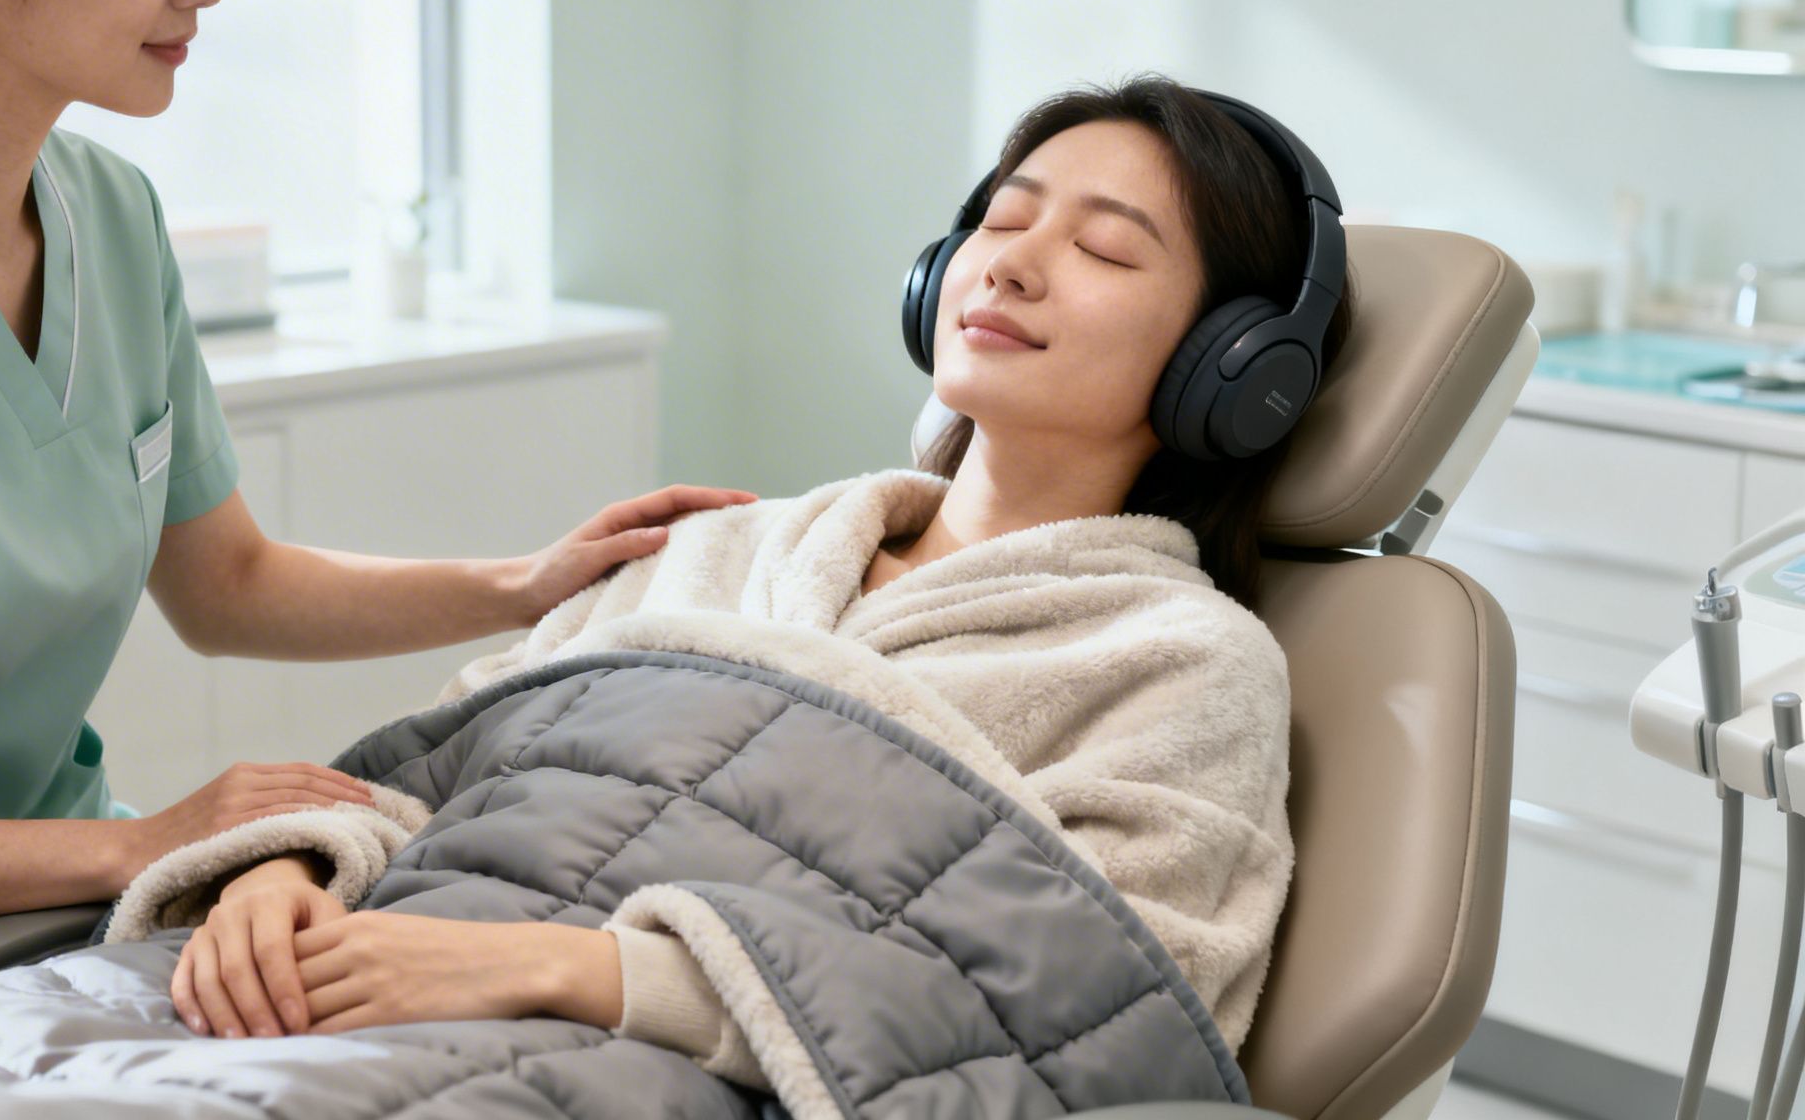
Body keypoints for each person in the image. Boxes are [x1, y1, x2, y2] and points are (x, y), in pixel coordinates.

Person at [152, 75, 1359, 1091]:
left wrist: (578, 969)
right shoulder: (721, 543)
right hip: (329, 992)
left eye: (1101, 248)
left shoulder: (1179, 661)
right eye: (1001, 221)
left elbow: (1102, 1013)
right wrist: (283, 873)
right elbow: (445, 768)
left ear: (1229, 364)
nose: (1013, 267)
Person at [0, 0, 753, 1041]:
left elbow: (225, 584)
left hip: (74, 910)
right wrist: (142, 845)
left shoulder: (111, 214)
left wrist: (524, 586)